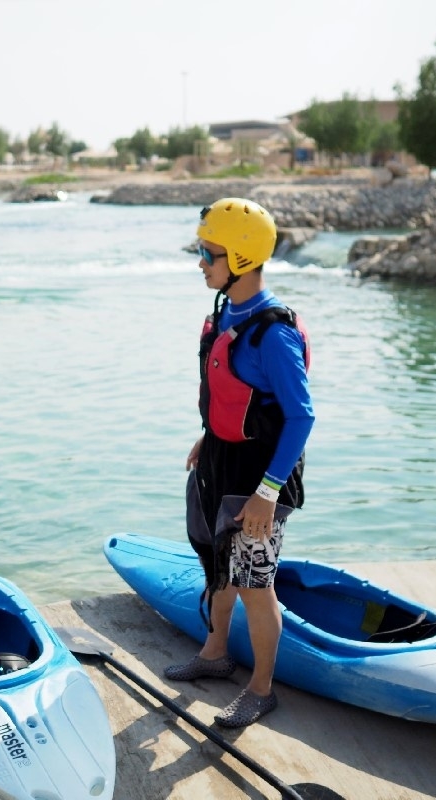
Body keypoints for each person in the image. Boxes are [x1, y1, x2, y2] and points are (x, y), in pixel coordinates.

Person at [164, 197, 314, 728]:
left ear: (243, 259)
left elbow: (300, 417)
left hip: (262, 478)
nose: (200, 262)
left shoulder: (273, 333)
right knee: (219, 565)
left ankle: (261, 687)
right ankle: (214, 655)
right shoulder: (227, 311)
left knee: (255, 583)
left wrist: (267, 494)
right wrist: (210, 436)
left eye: (209, 253)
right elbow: (232, 394)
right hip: (223, 461)